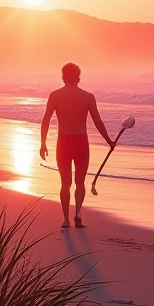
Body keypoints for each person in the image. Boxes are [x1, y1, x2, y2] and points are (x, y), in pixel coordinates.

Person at [40, 62, 114, 229]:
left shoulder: (55, 95)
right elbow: (97, 121)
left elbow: (46, 120)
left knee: (65, 183)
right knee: (80, 182)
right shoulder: (88, 97)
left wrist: (43, 143)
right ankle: (77, 214)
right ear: (78, 77)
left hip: (64, 142)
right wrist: (109, 141)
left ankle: (66, 220)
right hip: (81, 142)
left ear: (63, 77)